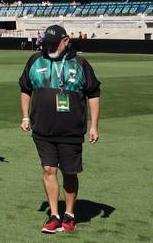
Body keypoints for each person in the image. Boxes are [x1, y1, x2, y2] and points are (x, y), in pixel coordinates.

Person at [19, 24, 102, 234]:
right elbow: (25, 89)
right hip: (42, 129)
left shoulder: (80, 63)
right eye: (47, 43)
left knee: (69, 172)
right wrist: (25, 116)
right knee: (48, 169)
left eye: (54, 44)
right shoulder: (35, 61)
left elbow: (93, 93)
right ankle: (54, 215)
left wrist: (94, 125)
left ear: (66, 41)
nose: (50, 47)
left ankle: (69, 213)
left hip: (71, 131)